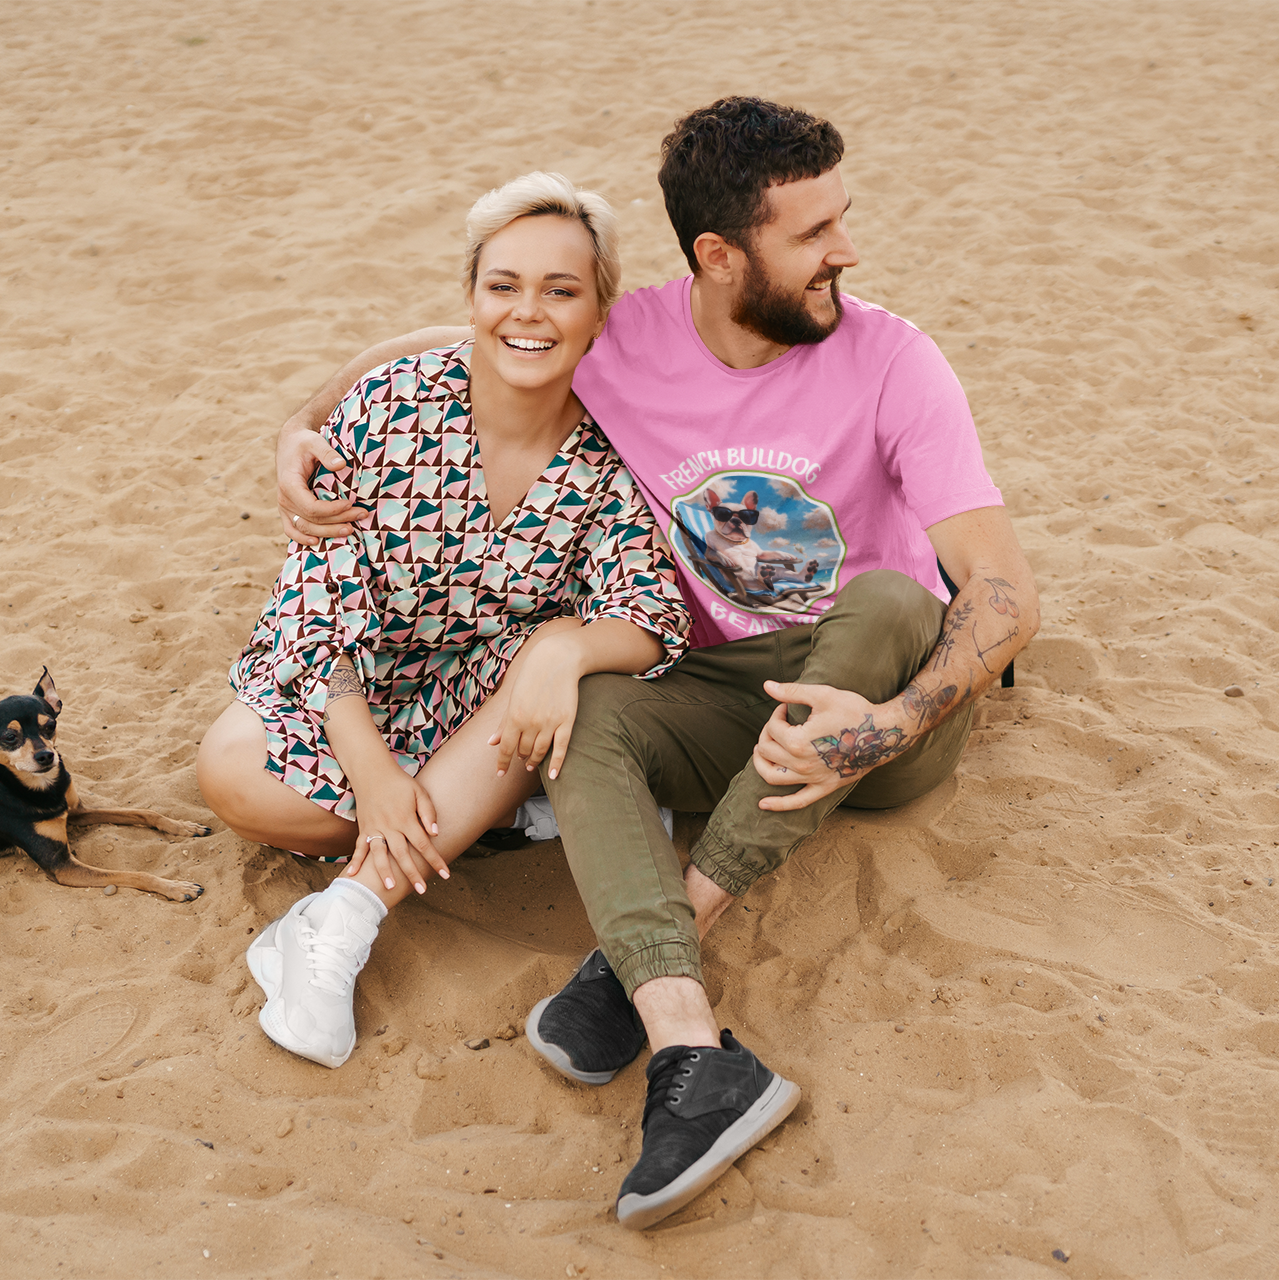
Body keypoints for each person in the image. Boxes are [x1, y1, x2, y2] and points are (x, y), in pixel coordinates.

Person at [274, 98, 1041, 1228]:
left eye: (843, 218)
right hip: (722, 687)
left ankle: (651, 936)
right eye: (813, 232)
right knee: (581, 702)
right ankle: (691, 1044)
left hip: (876, 692)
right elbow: (447, 345)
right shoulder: (626, 335)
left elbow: (1006, 593)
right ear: (721, 256)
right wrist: (302, 422)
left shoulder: (894, 358)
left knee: (883, 596)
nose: (848, 251)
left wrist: (882, 726)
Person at [196, 173, 691, 1073]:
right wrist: (374, 772)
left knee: (547, 669)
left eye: (560, 290)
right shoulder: (395, 404)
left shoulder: (617, 447)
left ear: (599, 309)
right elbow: (318, 605)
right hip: (347, 673)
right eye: (502, 286)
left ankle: (340, 918)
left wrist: (565, 646)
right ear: (471, 297)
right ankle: (493, 812)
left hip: (488, 697)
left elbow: (650, 614)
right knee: (233, 780)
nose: (527, 313)